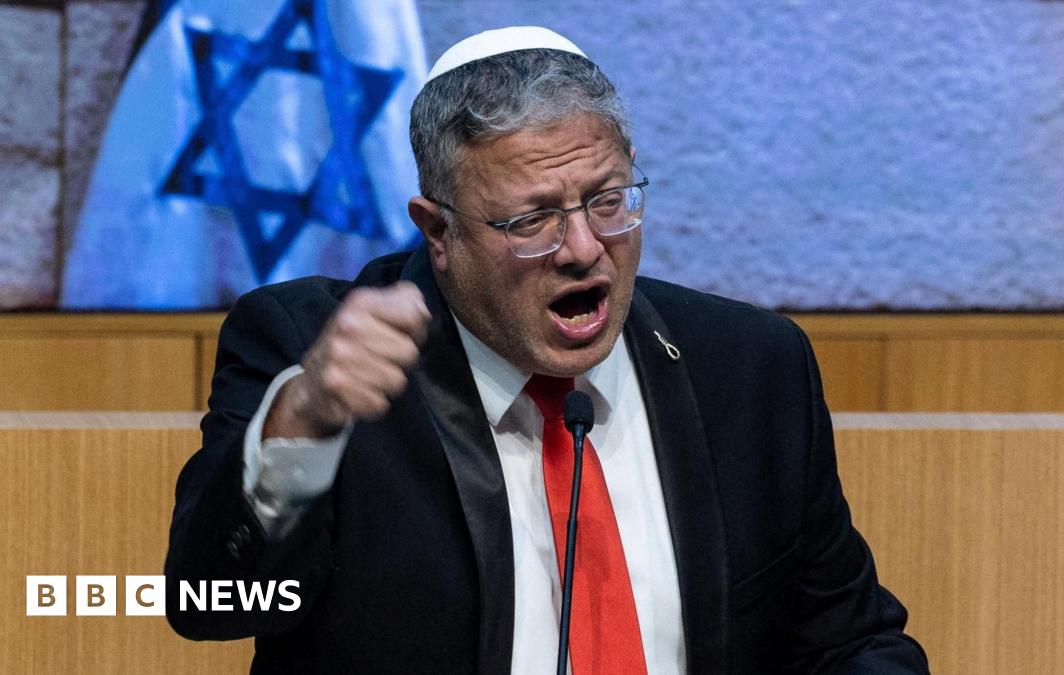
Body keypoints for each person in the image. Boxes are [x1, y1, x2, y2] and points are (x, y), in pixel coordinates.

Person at [165, 26, 928, 674]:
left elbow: (848, 639)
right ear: (438, 233)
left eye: (607, 200)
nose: (584, 248)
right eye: (531, 220)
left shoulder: (749, 366)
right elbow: (203, 600)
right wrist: (303, 420)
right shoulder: (318, 354)